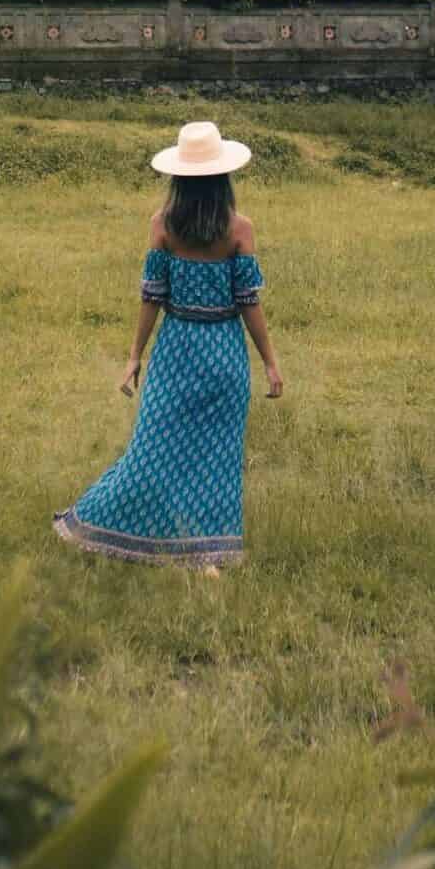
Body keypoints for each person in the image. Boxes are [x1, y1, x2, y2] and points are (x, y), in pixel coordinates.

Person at [53, 120, 282, 570]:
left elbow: (151, 296)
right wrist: (270, 363)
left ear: (178, 177)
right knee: (217, 457)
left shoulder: (161, 225)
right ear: (223, 177)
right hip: (224, 352)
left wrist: (135, 356)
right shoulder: (240, 229)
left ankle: (110, 528)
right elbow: (248, 302)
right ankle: (204, 555)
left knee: (151, 448)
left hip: (175, 349)